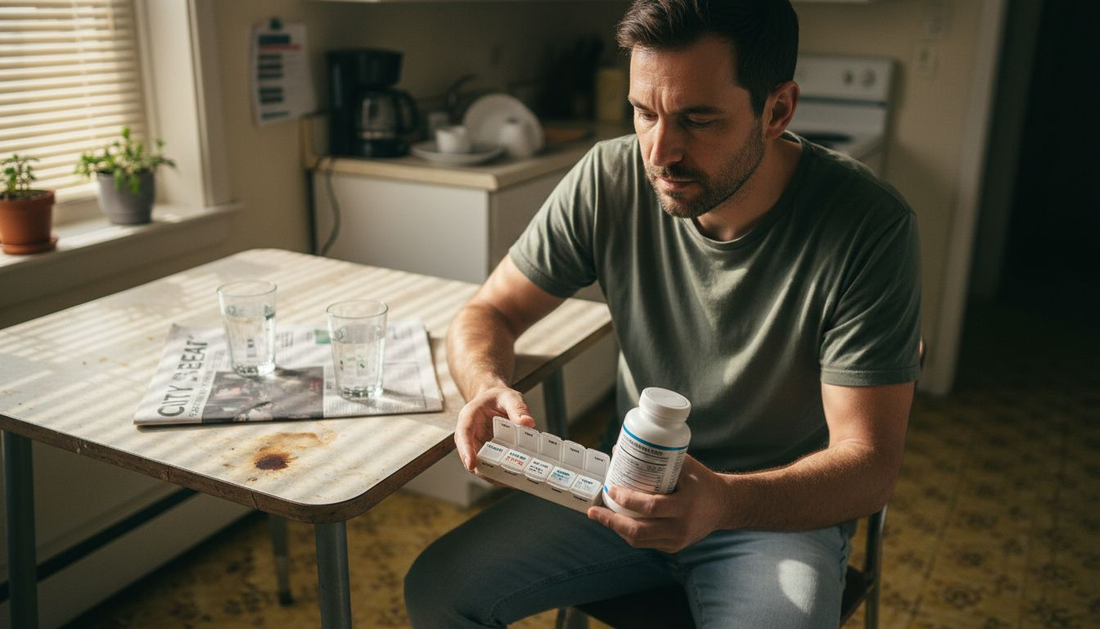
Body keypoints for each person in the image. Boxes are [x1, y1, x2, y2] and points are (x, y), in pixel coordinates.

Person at [405, 0, 921, 626]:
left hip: (774, 513)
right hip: (623, 484)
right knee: (438, 589)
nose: (660, 151)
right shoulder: (610, 177)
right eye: (644, 113)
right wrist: (485, 384)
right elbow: (488, 310)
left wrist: (725, 501)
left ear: (776, 110)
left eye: (697, 120)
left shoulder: (870, 226)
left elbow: (868, 466)